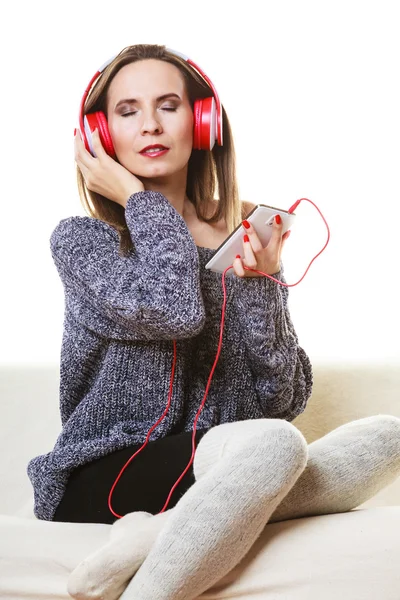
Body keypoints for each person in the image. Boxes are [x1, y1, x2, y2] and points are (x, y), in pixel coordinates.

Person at [27, 44, 400, 600]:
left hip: (220, 466)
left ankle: (155, 536)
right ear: (102, 137)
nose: (150, 124)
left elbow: (282, 400)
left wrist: (262, 285)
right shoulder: (83, 242)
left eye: (169, 105)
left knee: (386, 436)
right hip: (106, 471)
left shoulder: (244, 235)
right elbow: (171, 309)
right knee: (275, 448)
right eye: (128, 111)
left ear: (201, 122)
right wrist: (138, 199)